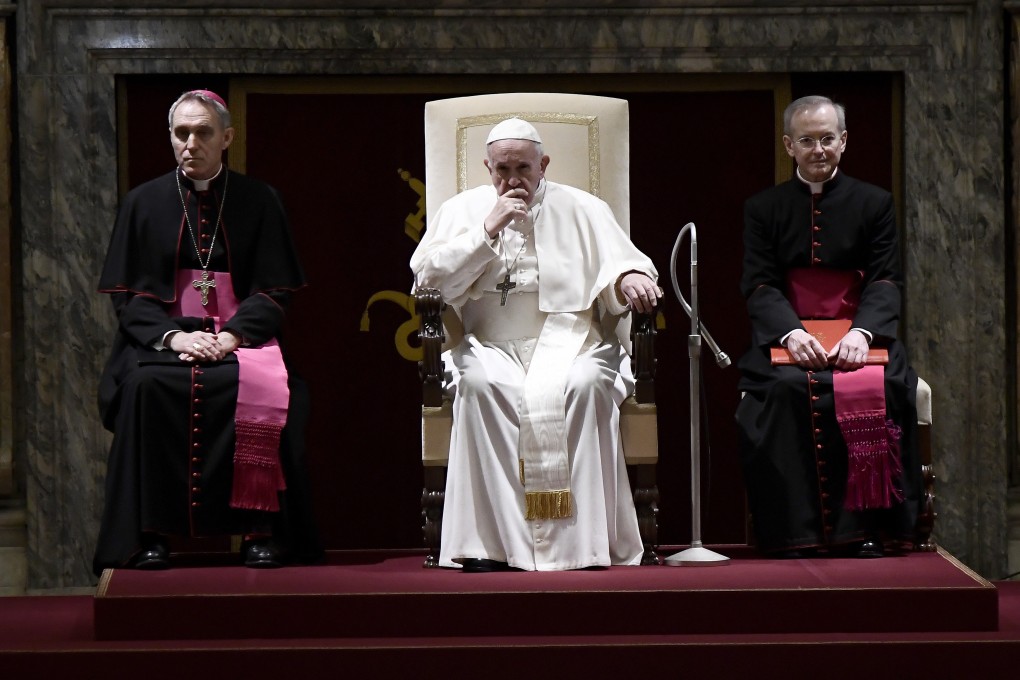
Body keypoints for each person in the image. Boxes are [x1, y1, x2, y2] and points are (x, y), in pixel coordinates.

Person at [410, 117, 662, 572]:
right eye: (501, 170)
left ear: (543, 164)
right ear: (487, 167)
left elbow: (621, 263)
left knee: (587, 385)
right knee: (481, 386)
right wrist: (486, 232)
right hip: (491, 344)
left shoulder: (584, 208)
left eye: (523, 168)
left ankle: (582, 547)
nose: (512, 180)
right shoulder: (464, 210)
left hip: (574, 341)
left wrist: (630, 277)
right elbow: (427, 281)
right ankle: (491, 546)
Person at [93, 90, 321, 574]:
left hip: (240, 339)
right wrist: (174, 339)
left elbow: (275, 290)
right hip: (165, 337)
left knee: (269, 389)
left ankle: (261, 532)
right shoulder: (143, 202)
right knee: (145, 387)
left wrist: (233, 336)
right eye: (181, 133)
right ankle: (147, 535)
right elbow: (129, 297)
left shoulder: (259, 200)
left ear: (226, 138)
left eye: (202, 133)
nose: (190, 143)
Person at [735, 95, 922, 559]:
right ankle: (792, 534)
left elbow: (884, 277)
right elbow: (759, 283)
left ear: (844, 141)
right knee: (779, 392)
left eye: (827, 139)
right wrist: (791, 333)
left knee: (881, 386)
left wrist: (863, 334)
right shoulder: (764, 208)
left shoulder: (875, 202)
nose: (818, 149)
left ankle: (868, 530)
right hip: (790, 337)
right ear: (788, 145)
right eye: (806, 140)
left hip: (861, 335)